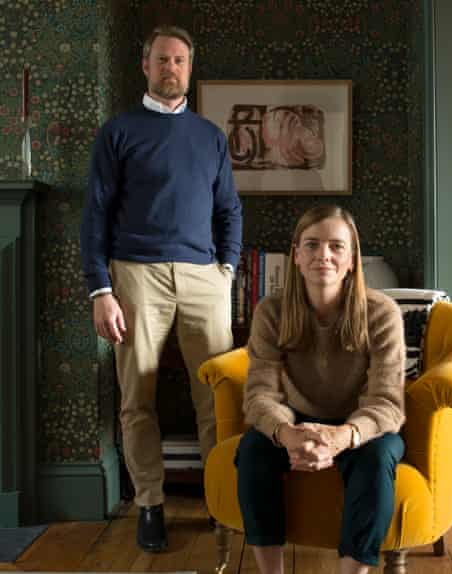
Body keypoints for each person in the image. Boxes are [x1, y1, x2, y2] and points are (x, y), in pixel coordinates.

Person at [80, 25, 242, 553]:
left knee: (215, 396)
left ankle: (222, 502)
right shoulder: (118, 132)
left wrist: (227, 270)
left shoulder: (210, 136)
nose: (171, 68)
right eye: (162, 60)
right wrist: (100, 289)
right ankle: (149, 505)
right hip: (135, 275)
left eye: (180, 61)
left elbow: (228, 210)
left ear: (189, 70)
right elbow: (96, 214)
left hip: (205, 279)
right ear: (145, 67)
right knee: (137, 398)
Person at [236, 205, 405, 574]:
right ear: (296, 255)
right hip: (296, 422)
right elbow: (261, 394)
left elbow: (387, 401)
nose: (323, 256)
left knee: (378, 460)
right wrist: (286, 434)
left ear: (351, 258)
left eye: (335, 246)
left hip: (363, 427)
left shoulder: (382, 312)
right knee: (252, 450)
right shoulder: (271, 311)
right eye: (311, 245)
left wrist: (345, 435)